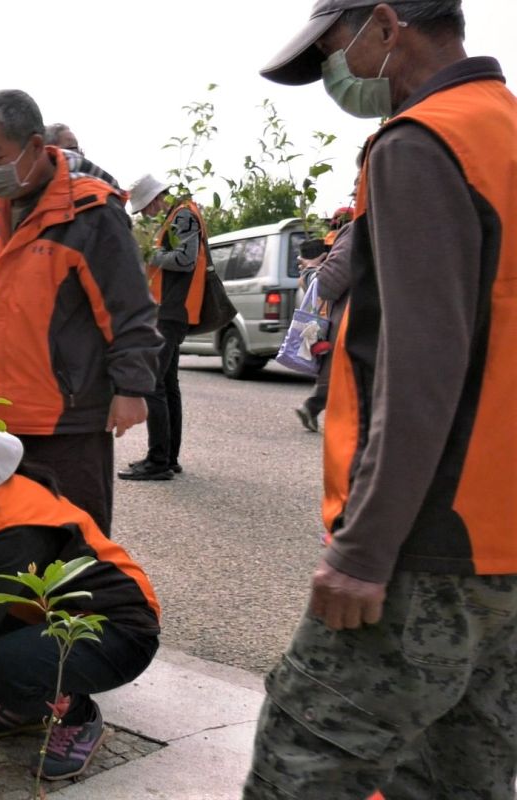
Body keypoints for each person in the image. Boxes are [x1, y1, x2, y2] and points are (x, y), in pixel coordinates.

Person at [246, 2, 517, 797]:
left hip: (430, 542)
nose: (337, 67)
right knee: (457, 776)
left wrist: (364, 550)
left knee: (300, 763)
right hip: (504, 548)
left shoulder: (421, 144)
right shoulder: (500, 128)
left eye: (335, 44)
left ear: (388, 25)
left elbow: (422, 363)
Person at [0, 388, 160, 781]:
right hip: (42, 612)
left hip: (115, 630)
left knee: (1, 667)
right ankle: (28, 704)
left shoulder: (15, 524)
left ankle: (76, 714)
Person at [0, 90, 161, 536]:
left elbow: (128, 307)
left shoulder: (91, 211)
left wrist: (131, 387)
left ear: (35, 147)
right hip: (1, 414)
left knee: (74, 543)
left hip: (68, 417)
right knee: (5, 539)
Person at [121, 175, 210, 481]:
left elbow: (185, 261)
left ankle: (158, 460)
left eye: (145, 208)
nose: (146, 214)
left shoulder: (183, 213)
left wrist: (146, 255)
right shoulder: (178, 214)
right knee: (168, 384)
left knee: (154, 384)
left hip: (172, 309)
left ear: (156, 199)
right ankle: (168, 457)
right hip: (173, 309)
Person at [295, 213, 355, 432]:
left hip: (352, 328)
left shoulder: (359, 231)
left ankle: (312, 406)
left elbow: (327, 285)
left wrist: (310, 270)